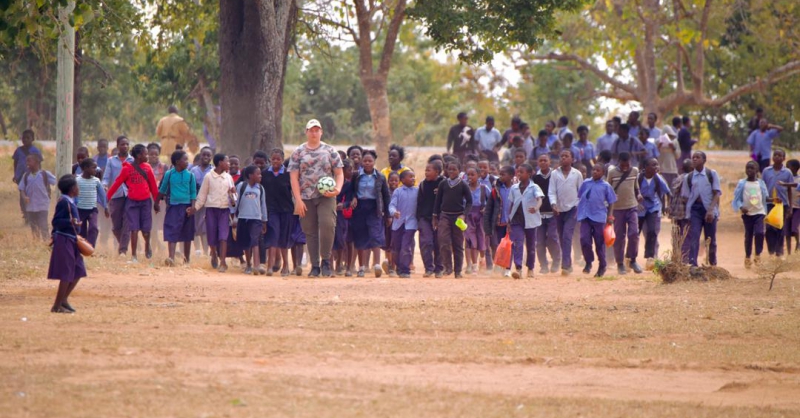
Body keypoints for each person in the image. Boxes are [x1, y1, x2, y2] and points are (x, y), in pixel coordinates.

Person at [289, 119, 344, 277]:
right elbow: (293, 178)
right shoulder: (298, 152)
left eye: (316, 130)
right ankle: (315, 266)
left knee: (327, 225)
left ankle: (326, 261)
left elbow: (339, 173)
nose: (314, 133)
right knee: (310, 230)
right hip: (305, 197)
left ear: (321, 132)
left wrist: (337, 190)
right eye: (311, 130)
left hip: (326, 196)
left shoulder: (329, 150)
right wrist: (298, 200)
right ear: (306, 132)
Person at [106, 144, 161, 263]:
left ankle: (147, 244)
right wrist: (107, 198)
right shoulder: (127, 168)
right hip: (132, 203)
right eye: (145, 154)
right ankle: (134, 256)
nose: (147, 156)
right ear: (138, 155)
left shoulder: (147, 168)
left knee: (146, 230)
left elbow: (153, 186)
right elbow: (117, 183)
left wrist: (157, 202)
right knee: (134, 229)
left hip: (145, 202)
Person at [48, 175, 87, 313]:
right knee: (66, 273)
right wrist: (71, 222)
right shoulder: (64, 202)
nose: (78, 188)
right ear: (72, 189)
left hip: (72, 240)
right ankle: (56, 306)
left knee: (78, 270)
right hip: (64, 240)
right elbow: (56, 221)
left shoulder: (70, 201)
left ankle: (64, 300)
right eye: (76, 185)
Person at [189, 153, 235, 272]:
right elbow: (202, 195)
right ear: (220, 163)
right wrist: (195, 208)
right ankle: (214, 253)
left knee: (223, 236)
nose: (229, 164)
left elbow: (234, 199)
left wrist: (234, 194)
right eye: (227, 161)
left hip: (224, 211)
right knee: (212, 236)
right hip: (211, 211)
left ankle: (223, 262)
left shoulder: (228, 178)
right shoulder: (209, 177)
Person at [350, 150, 390, 278]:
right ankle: (361, 267)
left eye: (370, 161)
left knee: (375, 234)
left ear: (374, 162)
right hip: (359, 208)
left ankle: (377, 265)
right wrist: (353, 198)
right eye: (365, 161)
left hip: (374, 208)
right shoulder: (356, 175)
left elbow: (386, 196)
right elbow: (351, 190)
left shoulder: (380, 177)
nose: (367, 163)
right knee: (360, 236)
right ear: (362, 161)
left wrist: (388, 214)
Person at [680, 151, 721, 267]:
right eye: (693, 157)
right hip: (695, 210)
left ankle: (712, 263)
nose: (694, 159)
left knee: (710, 238)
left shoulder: (711, 174)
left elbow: (717, 193)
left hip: (709, 209)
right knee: (694, 236)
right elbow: (685, 196)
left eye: (698, 157)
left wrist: (711, 211)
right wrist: (687, 212)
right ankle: (693, 264)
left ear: (704, 160)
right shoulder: (688, 177)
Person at [433, 160, 473, 278]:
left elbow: (470, 202)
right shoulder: (443, 184)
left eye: (454, 169)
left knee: (458, 244)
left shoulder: (463, 184)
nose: (451, 171)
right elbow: (438, 201)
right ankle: (448, 267)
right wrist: (435, 217)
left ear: (459, 171)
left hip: (458, 217)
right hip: (444, 215)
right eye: (449, 169)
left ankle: (458, 271)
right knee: (443, 241)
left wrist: (464, 215)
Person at [158, 150, 197, 266]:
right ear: (177, 162)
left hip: (187, 208)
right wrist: (156, 202)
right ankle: (171, 258)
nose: (187, 162)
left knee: (187, 233)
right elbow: (162, 189)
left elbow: (193, 193)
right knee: (171, 231)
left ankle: (187, 259)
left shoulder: (190, 175)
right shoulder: (169, 174)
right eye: (185, 160)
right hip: (173, 207)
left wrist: (193, 207)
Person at [607, 152, 643, 274]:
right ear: (619, 162)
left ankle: (632, 259)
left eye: (627, 165)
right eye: (623, 165)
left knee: (634, 233)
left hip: (632, 206)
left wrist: (639, 194)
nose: (625, 167)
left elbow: (636, 186)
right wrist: (611, 197)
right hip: (617, 209)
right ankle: (620, 263)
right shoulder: (612, 173)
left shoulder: (634, 171)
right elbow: (608, 188)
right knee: (619, 237)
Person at [578, 164, 617, 277]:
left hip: (599, 217)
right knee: (584, 240)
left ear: (603, 173)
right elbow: (580, 196)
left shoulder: (606, 186)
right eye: (593, 170)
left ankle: (602, 265)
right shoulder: (586, 183)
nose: (595, 172)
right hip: (585, 215)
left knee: (599, 243)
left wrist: (610, 217)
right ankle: (588, 261)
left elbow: (611, 201)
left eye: (598, 170)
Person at [548, 150, 582, 275]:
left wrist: (577, 206)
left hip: (572, 209)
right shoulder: (554, 174)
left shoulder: (576, 174)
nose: (563, 158)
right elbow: (551, 191)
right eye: (561, 156)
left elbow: (580, 192)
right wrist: (553, 204)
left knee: (567, 235)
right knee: (562, 236)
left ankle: (566, 265)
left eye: (566, 156)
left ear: (572, 159)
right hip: (558, 210)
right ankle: (567, 261)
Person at [507, 163, 544, 279]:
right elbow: (511, 204)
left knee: (531, 245)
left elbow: (539, 199)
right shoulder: (514, 188)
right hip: (516, 220)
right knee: (518, 243)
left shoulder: (534, 187)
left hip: (530, 220)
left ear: (529, 174)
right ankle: (518, 268)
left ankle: (530, 268)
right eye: (518, 172)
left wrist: (536, 208)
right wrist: (508, 220)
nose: (519, 174)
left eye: (521, 172)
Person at [261, 149, 294, 277]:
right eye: (273, 159)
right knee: (273, 236)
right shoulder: (264, 174)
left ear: (282, 160)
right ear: (270, 159)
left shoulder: (288, 174)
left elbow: (294, 189)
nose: (275, 161)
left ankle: (286, 266)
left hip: (286, 210)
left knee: (284, 239)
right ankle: (270, 266)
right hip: (271, 210)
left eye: (278, 159)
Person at [732, 161, 769, 269]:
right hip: (747, 214)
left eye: (752, 168)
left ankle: (757, 255)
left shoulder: (761, 183)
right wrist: (740, 207)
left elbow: (765, 197)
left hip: (759, 212)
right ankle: (748, 256)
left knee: (759, 233)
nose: (749, 170)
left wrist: (775, 200)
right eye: (747, 168)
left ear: (757, 170)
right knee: (748, 235)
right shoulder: (742, 183)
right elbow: (737, 198)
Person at [234, 165, 269, 275]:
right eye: (257, 174)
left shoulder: (260, 189)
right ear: (250, 176)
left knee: (255, 240)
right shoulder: (241, 186)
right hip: (243, 218)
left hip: (256, 219)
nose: (260, 176)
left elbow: (263, 205)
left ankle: (256, 265)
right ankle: (248, 264)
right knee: (246, 242)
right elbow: (235, 201)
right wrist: (233, 217)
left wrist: (264, 220)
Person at [103, 135, 134, 255]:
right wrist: (104, 185)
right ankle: (123, 243)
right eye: (122, 144)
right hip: (115, 195)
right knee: (116, 226)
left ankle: (123, 250)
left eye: (127, 144)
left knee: (127, 222)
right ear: (117, 146)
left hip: (130, 194)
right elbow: (106, 177)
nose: (125, 146)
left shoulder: (133, 160)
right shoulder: (111, 161)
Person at [637, 158, 671, 270]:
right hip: (640, 208)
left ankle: (650, 257)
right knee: (634, 233)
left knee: (652, 232)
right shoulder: (638, 178)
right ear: (646, 167)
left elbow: (668, 192)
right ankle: (630, 257)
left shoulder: (658, 178)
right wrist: (636, 202)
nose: (656, 167)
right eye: (653, 165)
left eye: (657, 164)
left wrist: (668, 206)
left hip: (653, 207)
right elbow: (631, 191)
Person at [761, 149, 794, 257]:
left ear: (784, 158)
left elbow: (789, 189)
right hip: (769, 203)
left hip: (782, 204)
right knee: (769, 228)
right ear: (772, 157)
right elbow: (762, 187)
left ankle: (779, 252)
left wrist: (790, 206)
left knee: (780, 228)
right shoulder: (766, 171)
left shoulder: (787, 172)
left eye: (780, 155)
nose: (777, 157)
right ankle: (771, 250)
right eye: (775, 155)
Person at [533, 154, 561, 274]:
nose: (543, 162)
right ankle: (543, 265)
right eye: (541, 160)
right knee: (539, 241)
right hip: (539, 214)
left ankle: (556, 260)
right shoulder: (535, 178)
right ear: (538, 162)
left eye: (545, 160)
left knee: (552, 237)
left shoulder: (555, 176)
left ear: (550, 162)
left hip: (553, 213)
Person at [18, 153, 56, 240]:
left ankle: (46, 241)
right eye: (26, 161)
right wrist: (24, 197)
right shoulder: (26, 176)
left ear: (37, 162)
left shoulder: (44, 174)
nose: (27, 163)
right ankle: (36, 242)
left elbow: (56, 181)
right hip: (30, 206)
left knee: (43, 225)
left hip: (42, 205)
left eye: (29, 161)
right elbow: (21, 189)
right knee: (33, 226)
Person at [417, 161, 445, 278]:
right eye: (425, 170)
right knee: (426, 242)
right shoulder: (423, 185)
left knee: (439, 243)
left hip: (440, 218)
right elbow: (419, 202)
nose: (426, 172)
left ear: (437, 172)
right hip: (425, 218)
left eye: (429, 170)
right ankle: (428, 268)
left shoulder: (443, 184)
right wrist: (419, 219)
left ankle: (439, 268)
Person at [485, 165, 514, 277]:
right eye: (500, 174)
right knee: (499, 245)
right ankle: (500, 266)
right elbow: (488, 209)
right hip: (499, 223)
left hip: (512, 223)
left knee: (509, 246)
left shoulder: (515, 189)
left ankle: (508, 268)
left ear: (511, 176)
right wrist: (487, 227)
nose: (500, 177)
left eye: (503, 174)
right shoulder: (495, 190)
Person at [389, 170, 418, 279]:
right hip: (398, 224)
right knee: (397, 248)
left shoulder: (417, 191)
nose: (413, 178)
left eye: (414, 176)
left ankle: (406, 270)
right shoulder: (398, 191)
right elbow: (392, 205)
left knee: (406, 246)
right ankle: (399, 267)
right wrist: (394, 212)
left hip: (411, 224)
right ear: (402, 180)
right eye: (410, 177)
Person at [76, 158, 108, 247]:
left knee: (94, 228)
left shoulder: (96, 181)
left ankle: (90, 247)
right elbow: (74, 195)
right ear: (86, 168)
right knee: (81, 231)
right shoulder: (77, 180)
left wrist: (105, 207)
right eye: (93, 168)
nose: (96, 170)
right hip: (80, 210)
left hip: (92, 209)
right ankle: (83, 248)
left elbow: (102, 195)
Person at [464, 167, 490, 274]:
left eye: (472, 175)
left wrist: (486, 208)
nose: (470, 177)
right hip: (468, 216)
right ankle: (474, 266)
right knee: (471, 240)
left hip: (481, 216)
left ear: (478, 175)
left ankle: (481, 260)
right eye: (468, 175)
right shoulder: (464, 188)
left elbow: (491, 202)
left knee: (481, 240)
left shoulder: (484, 188)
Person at [190, 147, 214, 256]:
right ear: (200, 155)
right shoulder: (193, 170)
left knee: (205, 228)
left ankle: (205, 252)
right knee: (195, 226)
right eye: (204, 155)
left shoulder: (213, 170)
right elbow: (191, 186)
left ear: (211, 157)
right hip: (196, 202)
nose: (206, 157)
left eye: (208, 155)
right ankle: (197, 250)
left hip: (208, 203)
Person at [333, 159, 355, 276]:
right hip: (331, 212)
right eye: (349, 170)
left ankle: (339, 265)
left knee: (342, 239)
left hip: (342, 215)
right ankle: (330, 265)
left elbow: (349, 198)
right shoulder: (331, 182)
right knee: (331, 239)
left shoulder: (347, 184)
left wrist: (344, 204)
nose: (351, 172)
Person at [381, 171, 401, 276]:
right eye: (391, 180)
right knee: (388, 245)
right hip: (387, 222)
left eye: (396, 180)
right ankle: (389, 265)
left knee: (395, 245)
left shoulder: (400, 192)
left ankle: (394, 266)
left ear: (399, 181)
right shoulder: (386, 192)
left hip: (398, 222)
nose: (393, 182)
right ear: (388, 181)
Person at [788, 159, 800, 252]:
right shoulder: (786, 178)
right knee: (787, 230)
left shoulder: (798, 179)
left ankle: (798, 243)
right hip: (788, 207)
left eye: (789, 167)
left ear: (796, 168)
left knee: (794, 228)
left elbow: (795, 185)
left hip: (798, 207)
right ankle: (788, 250)